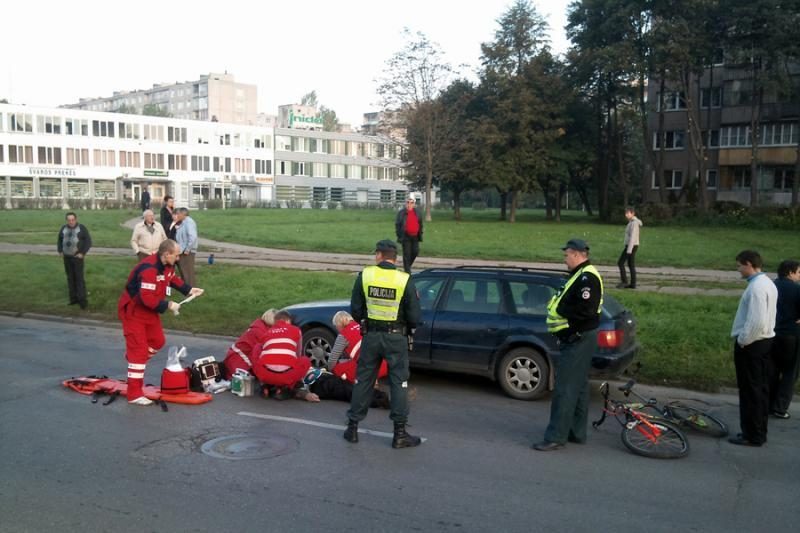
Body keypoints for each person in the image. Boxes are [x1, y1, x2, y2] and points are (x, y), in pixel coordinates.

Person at [343, 239, 422, 449]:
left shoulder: (366, 275)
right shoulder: (404, 279)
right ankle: (400, 434)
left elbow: (356, 310)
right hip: (396, 337)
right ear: (394, 258)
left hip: (371, 336)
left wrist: (368, 320)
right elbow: (414, 315)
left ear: (379, 255)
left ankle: (352, 428)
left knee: (364, 380)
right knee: (399, 383)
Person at [533, 238, 603, 452]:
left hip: (578, 339)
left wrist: (567, 322)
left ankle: (555, 436)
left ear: (576, 254)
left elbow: (587, 311)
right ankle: (575, 432)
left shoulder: (586, 278)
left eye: (566, 255)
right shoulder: (580, 275)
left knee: (564, 389)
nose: (565, 259)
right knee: (579, 387)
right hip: (579, 337)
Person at [117, 239, 204, 405]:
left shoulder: (167, 265)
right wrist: (169, 304)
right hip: (134, 312)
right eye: (176, 255)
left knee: (158, 341)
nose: (178, 258)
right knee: (139, 352)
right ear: (166, 254)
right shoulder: (149, 269)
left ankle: (134, 358)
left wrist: (188, 290)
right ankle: (134, 394)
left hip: (149, 311)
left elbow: (171, 279)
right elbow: (146, 298)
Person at [729, 250, 777, 447]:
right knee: (759, 389)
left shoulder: (756, 288)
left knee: (750, 391)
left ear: (749, 264)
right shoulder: (767, 283)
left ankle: (752, 434)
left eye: (740, 265)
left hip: (752, 344)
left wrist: (743, 340)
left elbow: (756, 321)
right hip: (764, 342)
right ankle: (757, 431)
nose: (739, 269)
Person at [252, 310, 313, 399]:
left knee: (257, 348)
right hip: (286, 376)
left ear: (275, 321)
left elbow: (258, 351)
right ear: (288, 320)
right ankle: (284, 388)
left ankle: (265, 385)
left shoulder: (266, 333)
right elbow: (298, 354)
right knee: (305, 360)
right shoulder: (296, 330)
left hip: (265, 374)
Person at [769, 259, 800, 419]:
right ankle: (780, 408)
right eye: (799, 272)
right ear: (790, 272)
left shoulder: (771, 286)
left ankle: (768, 403)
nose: (799, 276)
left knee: (772, 370)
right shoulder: (796, 289)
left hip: (771, 334)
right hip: (791, 335)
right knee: (790, 372)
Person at [327, 310, 388, 384]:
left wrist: (330, 371)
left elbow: (332, 359)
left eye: (336, 326)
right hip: (384, 364)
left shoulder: (343, 335)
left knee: (336, 368)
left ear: (339, 325)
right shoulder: (361, 326)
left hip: (369, 369)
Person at [223, 309, 277, 378]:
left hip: (238, 357)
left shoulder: (260, 328)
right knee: (242, 384)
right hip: (239, 360)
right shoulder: (260, 332)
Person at [57, 212, 92, 310]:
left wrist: (83, 253)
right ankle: (73, 299)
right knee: (70, 278)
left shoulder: (82, 228)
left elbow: (88, 242)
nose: (71, 222)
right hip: (67, 258)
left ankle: (82, 301)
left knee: (79, 279)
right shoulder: (63, 228)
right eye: (69, 220)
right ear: (66, 220)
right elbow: (59, 240)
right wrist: (60, 250)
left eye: (73, 220)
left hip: (77, 258)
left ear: (76, 219)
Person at [395, 196, 423, 273]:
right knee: (407, 254)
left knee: (415, 251)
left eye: (411, 203)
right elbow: (397, 225)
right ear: (405, 203)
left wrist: (420, 233)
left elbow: (420, 224)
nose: (409, 204)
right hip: (405, 236)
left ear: (414, 204)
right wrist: (399, 235)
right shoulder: (401, 213)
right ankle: (407, 271)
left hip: (415, 236)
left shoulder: (418, 212)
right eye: (407, 202)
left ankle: (407, 267)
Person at [617, 206, 642, 289]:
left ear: (633, 213)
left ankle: (624, 282)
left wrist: (629, 250)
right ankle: (633, 284)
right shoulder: (631, 222)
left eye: (628, 213)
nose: (626, 215)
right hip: (632, 246)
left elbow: (633, 237)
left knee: (620, 262)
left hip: (632, 246)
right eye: (626, 213)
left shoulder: (634, 223)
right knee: (631, 265)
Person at [174, 207, 198, 287]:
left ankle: (191, 290)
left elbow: (192, 237)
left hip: (188, 251)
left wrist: (187, 249)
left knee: (188, 271)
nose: (177, 215)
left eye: (178, 214)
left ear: (183, 214)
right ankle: (186, 289)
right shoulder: (184, 222)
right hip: (183, 250)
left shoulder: (189, 222)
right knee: (184, 271)